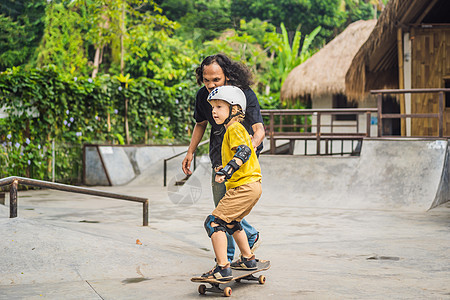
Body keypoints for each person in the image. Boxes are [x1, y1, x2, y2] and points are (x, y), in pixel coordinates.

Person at [182, 54, 265, 262]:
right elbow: (200, 123)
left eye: (215, 80)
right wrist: (190, 151)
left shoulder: (243, 94)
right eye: (206, 80)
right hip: (219, 154)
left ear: (227, 75)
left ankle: (225, 260)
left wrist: (243, 154)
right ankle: (248, 239)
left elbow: (259, 131)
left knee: (221, 215)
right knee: (222, 206)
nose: (210, 85)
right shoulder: (203, 96)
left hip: (241, 156)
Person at [201, 85, 262, 280]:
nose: (214, 111)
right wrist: (225, 168)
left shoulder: (234, 128)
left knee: (214, 222)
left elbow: (243, 151)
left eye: (219, 106)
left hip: (243, 186)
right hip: (251, 185)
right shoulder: (234, 130)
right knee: (233, 223)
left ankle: (222, 267)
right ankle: (247, 259)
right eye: (212, 107)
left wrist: (227, 170)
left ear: (234, 110)